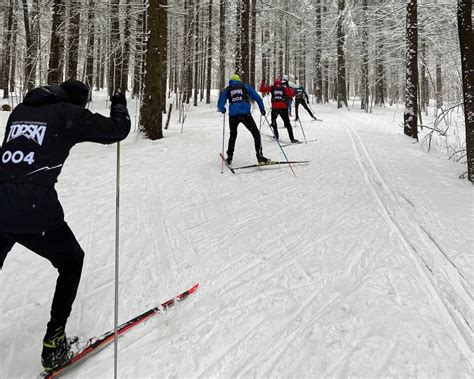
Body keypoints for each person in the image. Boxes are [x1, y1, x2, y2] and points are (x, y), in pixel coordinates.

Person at [0, 79, 131, 369]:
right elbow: (116, 131)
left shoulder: (20, 110)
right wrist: (119, 104)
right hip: (33, 207)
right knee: (72, 261)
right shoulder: (67, 113)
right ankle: (54, 344)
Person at [218, 74, 269, 165]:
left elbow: (221, 102)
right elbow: (257, 97)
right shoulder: (245, 87)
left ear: (231, 81)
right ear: (239, 80)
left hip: (233, 116)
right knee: (256, 134)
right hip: (245, 114)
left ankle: (229, 157)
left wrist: (222, 109)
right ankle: (259, 155)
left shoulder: (228, 89)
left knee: (233, 135)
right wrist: (262, 108)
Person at [259, 78, 299, 143]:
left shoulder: (272, 87)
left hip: (275, 107)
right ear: (280, 83)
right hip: (283, 107)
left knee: (274, 121)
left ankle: (276, 135)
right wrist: (293, 90)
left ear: (274, 83)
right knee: (287, 123)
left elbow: (262, 90)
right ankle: (292, 138)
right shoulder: (283, 88)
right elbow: (291, 94)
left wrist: (263, 82)